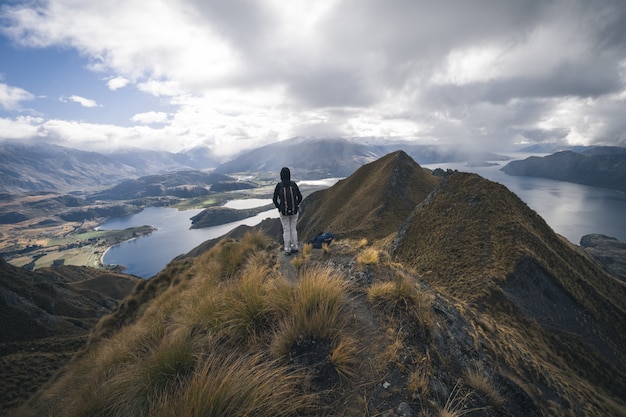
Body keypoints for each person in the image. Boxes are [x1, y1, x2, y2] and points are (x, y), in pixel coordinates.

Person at [273, 167, 303, 256]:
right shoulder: (293, 184)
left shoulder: (279, 185)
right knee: (293, 228)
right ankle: (295, 247)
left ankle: (287, 249)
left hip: (284, 212)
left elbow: (274, 199)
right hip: (294, 211)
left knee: (286, 230)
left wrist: (279, 207)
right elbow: (300, 197)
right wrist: (296, 205)